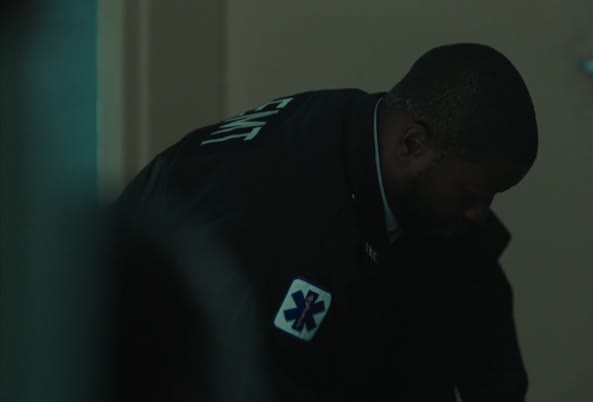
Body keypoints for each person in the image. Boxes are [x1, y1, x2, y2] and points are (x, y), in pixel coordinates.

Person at [106, 42, 538, 402]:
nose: (480, 212)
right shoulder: (273, 213)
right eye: (472, 195)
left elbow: (491, 356)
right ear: (412, 143)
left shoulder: (399, 161)